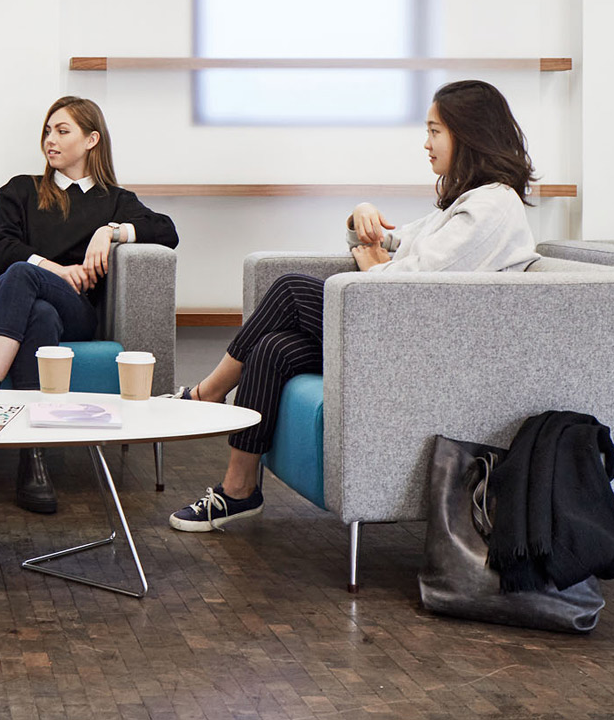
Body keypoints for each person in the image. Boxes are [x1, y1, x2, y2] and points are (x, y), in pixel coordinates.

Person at [168, 79, 542, 532]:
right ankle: (238, 492)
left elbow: (406, 286)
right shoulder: (468, 203)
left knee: (289, 290)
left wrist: (372, 266)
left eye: (434, 131)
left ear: (469, 134)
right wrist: (360, 220)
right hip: (402, 330)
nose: (426, 144)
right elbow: (395, 245)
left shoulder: (490, 211)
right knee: (273, 349)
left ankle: (206, 394)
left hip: (424, 349)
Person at [0, 96, 179, 513]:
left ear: (91, 140)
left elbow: (167, 230)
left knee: (30, 283)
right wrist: (56, 269)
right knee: (33, 299)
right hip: (9, 309)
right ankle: (34, 458)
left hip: (78, 315)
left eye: (62, 131)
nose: (50, 140)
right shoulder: (19, 190)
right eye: (47, 131)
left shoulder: (114, 200)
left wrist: (110, 232)